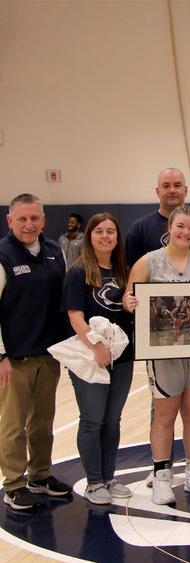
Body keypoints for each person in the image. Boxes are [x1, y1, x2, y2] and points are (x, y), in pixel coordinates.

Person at [124, 205, 190, 505]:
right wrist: (130, 303)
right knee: (165, 415)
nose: (186, 232)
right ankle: (161, 476)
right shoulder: (149, 262)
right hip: (163, 350)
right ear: (169, 228)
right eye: (181, 226)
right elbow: (128, 298)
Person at [0, 193, 72, 510]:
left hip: (49, 354)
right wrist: (1, 356)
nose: (29, 224)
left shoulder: (56, 253)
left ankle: (40, 476)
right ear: (10, 220)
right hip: (14, 359)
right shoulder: (2, 255)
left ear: (43, 220)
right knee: (13, 426)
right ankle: (14, 483)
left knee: (42, 422)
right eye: (23, 218)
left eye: (35, 218)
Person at [63, 213, 134, 505]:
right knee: (92, 420)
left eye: (111, 232)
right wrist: (96, 347)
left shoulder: (123, 271)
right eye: (99, 232)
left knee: (112, 421)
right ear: (90, 236)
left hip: (123, 357)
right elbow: (75, 317)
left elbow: (131, 309)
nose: (105, 236)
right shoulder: (78, 273)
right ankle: (93, 482)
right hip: (91, 357)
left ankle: (109, 476)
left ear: (117, 238)